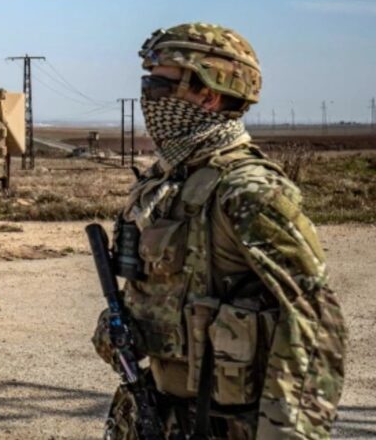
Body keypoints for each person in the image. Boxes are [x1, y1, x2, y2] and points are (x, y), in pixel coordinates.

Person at [92, 23, 346, 439]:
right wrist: (128, 324)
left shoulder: (248, 190)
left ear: (207, 95)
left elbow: (315, 319)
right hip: (161, 413)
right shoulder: (168, 180)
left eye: (160, 83)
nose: (148, 95)